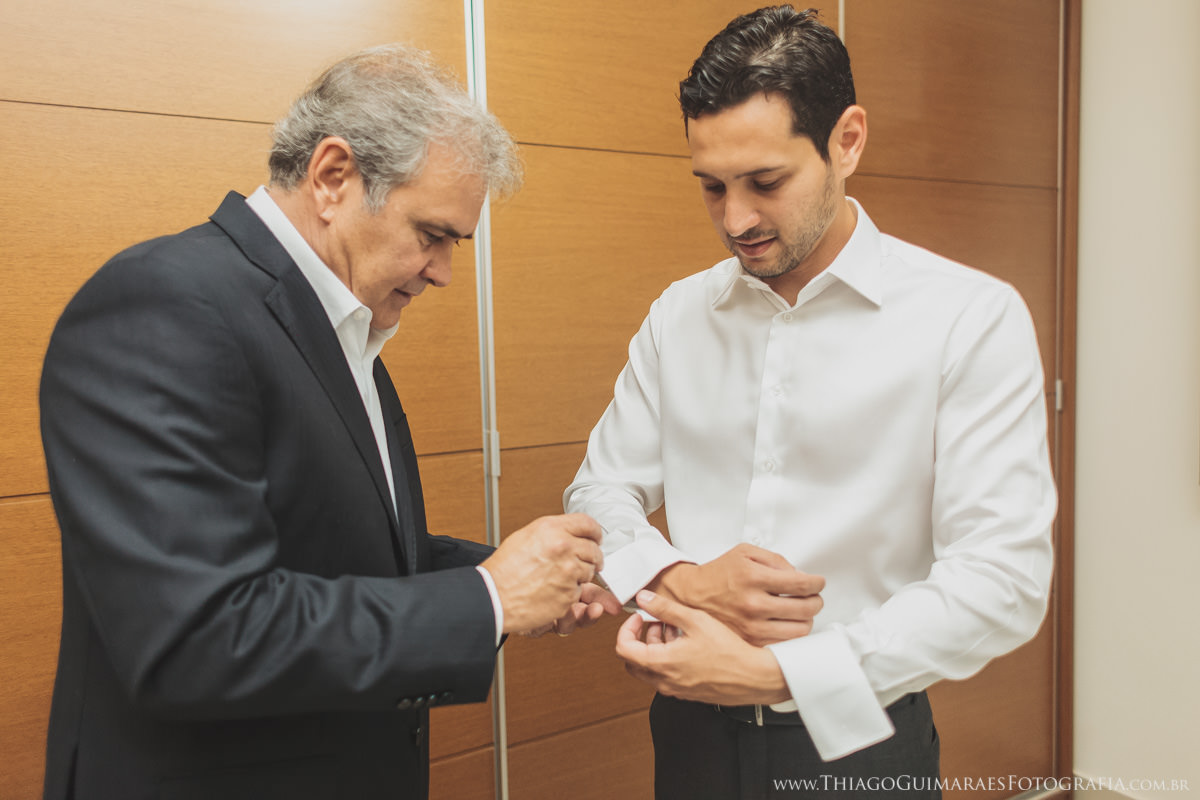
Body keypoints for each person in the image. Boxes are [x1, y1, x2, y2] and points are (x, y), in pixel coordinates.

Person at [39, 44, 618, 800]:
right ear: (333, 177)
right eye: (433, 234)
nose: (444, 270)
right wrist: (487, 597)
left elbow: (344, 555)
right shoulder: (165, 307)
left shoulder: (337, 327)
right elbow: (199, 636)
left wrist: (522, 579)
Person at [564, 6, 1057, 799]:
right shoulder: (678, 314)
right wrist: (679, 576)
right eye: (712, 186)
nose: (736, 220)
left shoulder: (969, 316)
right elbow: (599, 490)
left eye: (765, 183)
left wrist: (776, 673)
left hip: (860, 738)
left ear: (847, 141)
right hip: (687, 729)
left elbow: (1002, 579)